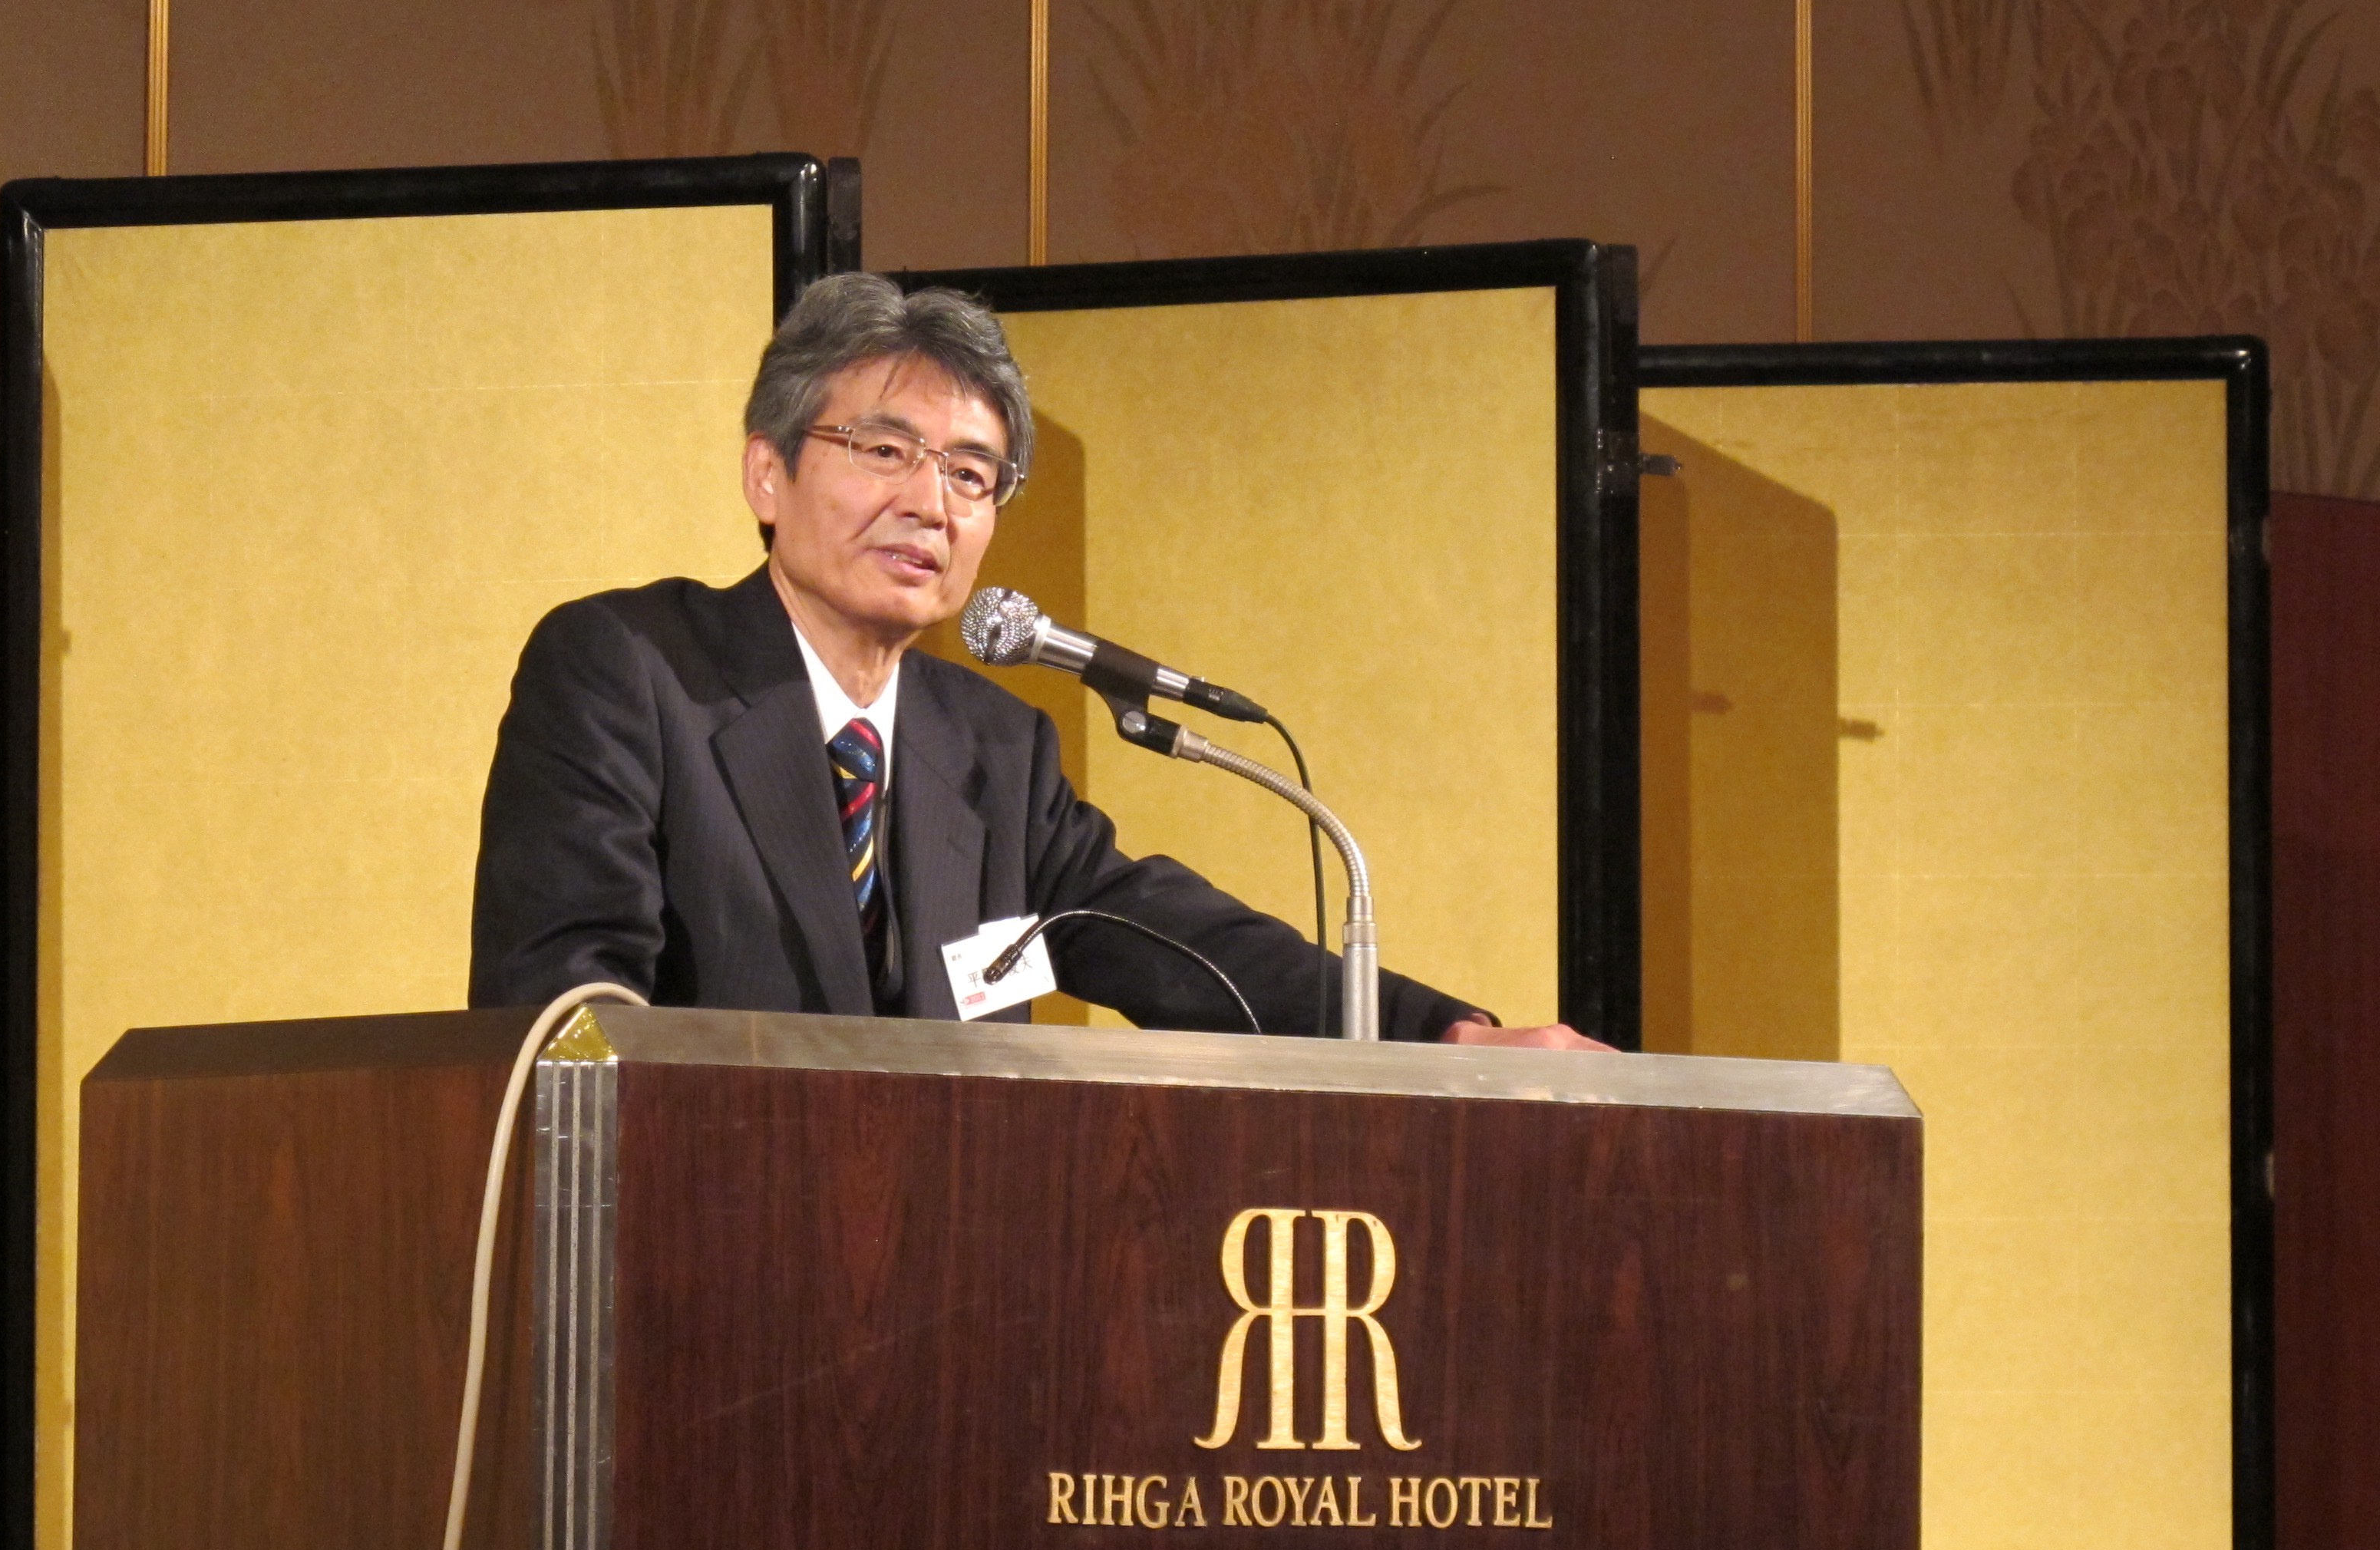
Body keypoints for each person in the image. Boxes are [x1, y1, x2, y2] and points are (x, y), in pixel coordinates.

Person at [470, 272, 1606, 1050]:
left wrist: (1442, 1035)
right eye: (884, 450)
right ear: (768, 474)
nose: (931, 503)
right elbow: (566, 1014)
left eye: (972, 476)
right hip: (693, 1257)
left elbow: (1173, 944)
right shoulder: (629, 673)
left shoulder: (991, 749)